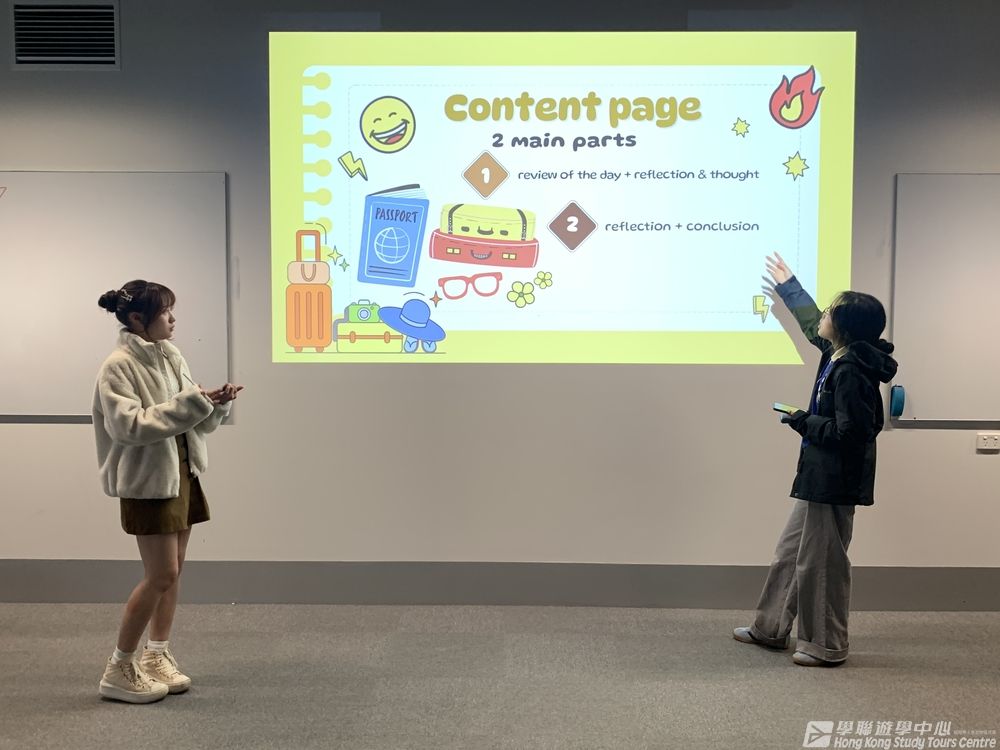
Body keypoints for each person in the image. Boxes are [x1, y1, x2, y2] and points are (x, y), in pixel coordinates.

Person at [733, 253, 897, 666]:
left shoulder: (851, 370)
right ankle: (770, 627)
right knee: (791, 553)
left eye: (830, 313)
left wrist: (803, 421)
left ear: (843, 327)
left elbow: (853, 433)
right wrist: (790, 285)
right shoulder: (839, 352)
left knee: (822, 564)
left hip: (835, 480)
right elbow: (811, 323)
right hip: (818, 475)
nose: (822, 315)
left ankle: (827, 645)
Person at [93, 280, 242, 702]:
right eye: (165, 313)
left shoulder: (171, 354)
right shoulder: (117, 366)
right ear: (137, 318)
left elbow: (194, 421)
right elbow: (129, 427)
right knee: (161, 575)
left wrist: (214, 403)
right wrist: (193, 402)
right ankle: (119, 667)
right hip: (149, 483)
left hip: (182, 474)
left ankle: (156, 654)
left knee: (173, 571)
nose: (173, 320)